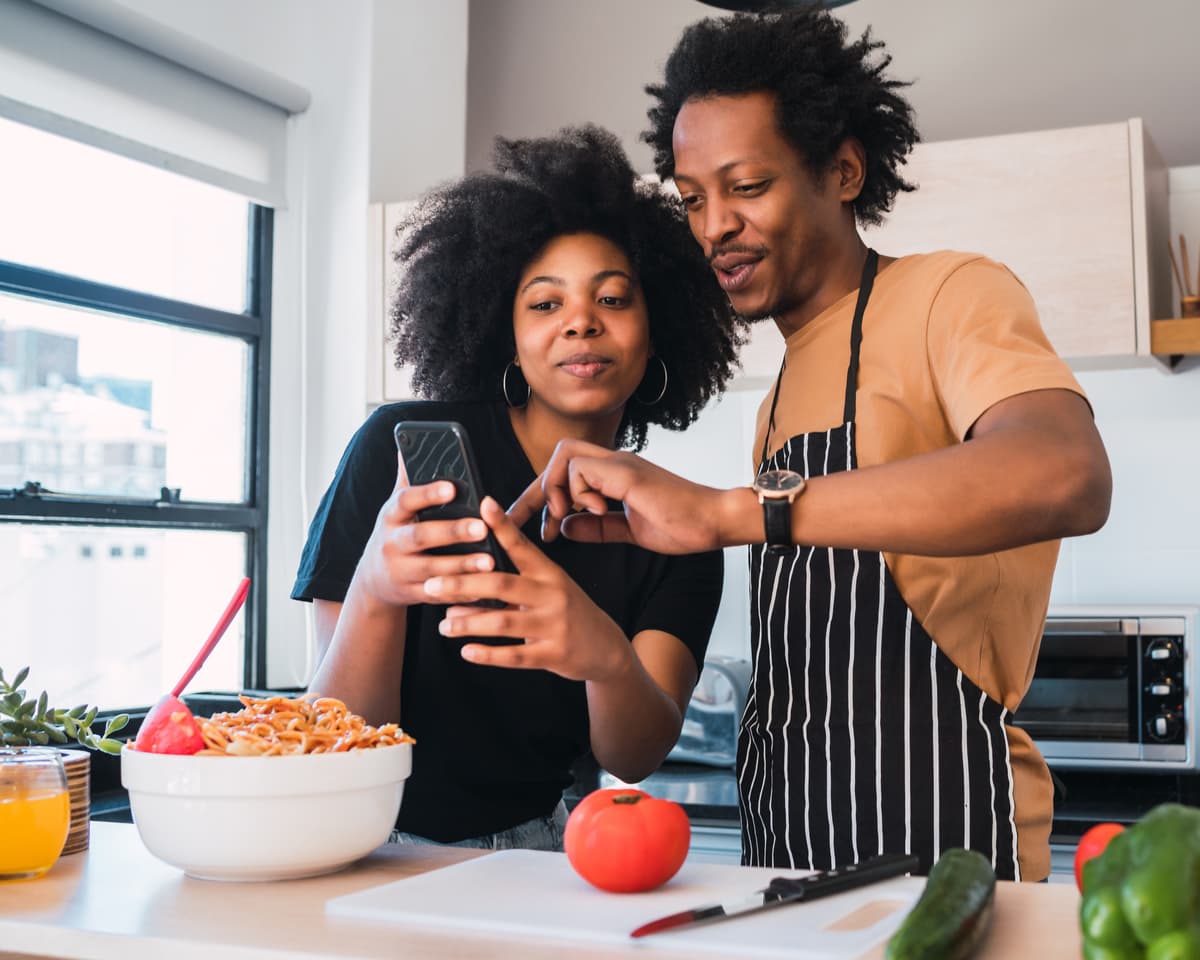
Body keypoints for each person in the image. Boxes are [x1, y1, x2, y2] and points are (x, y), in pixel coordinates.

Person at [511, 10, 1112, 881]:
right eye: (691, 198)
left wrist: (727, 512)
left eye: (745, 186)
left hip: (939, 838)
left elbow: (1066, 473)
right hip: (786, 842)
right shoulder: (784, 390)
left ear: (841, 169)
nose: (713, 225)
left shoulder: (950, 293)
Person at [291, 125, 744, 850]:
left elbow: (634, 755)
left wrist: (604, 654)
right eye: (544, 304)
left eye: (615, 299)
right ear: (505, 333)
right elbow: (338, 730)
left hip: (536, 854)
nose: (581, 323)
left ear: (656, 333)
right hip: (361, 844)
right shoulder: (398, 453)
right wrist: (377, 589)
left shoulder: (678, 525)